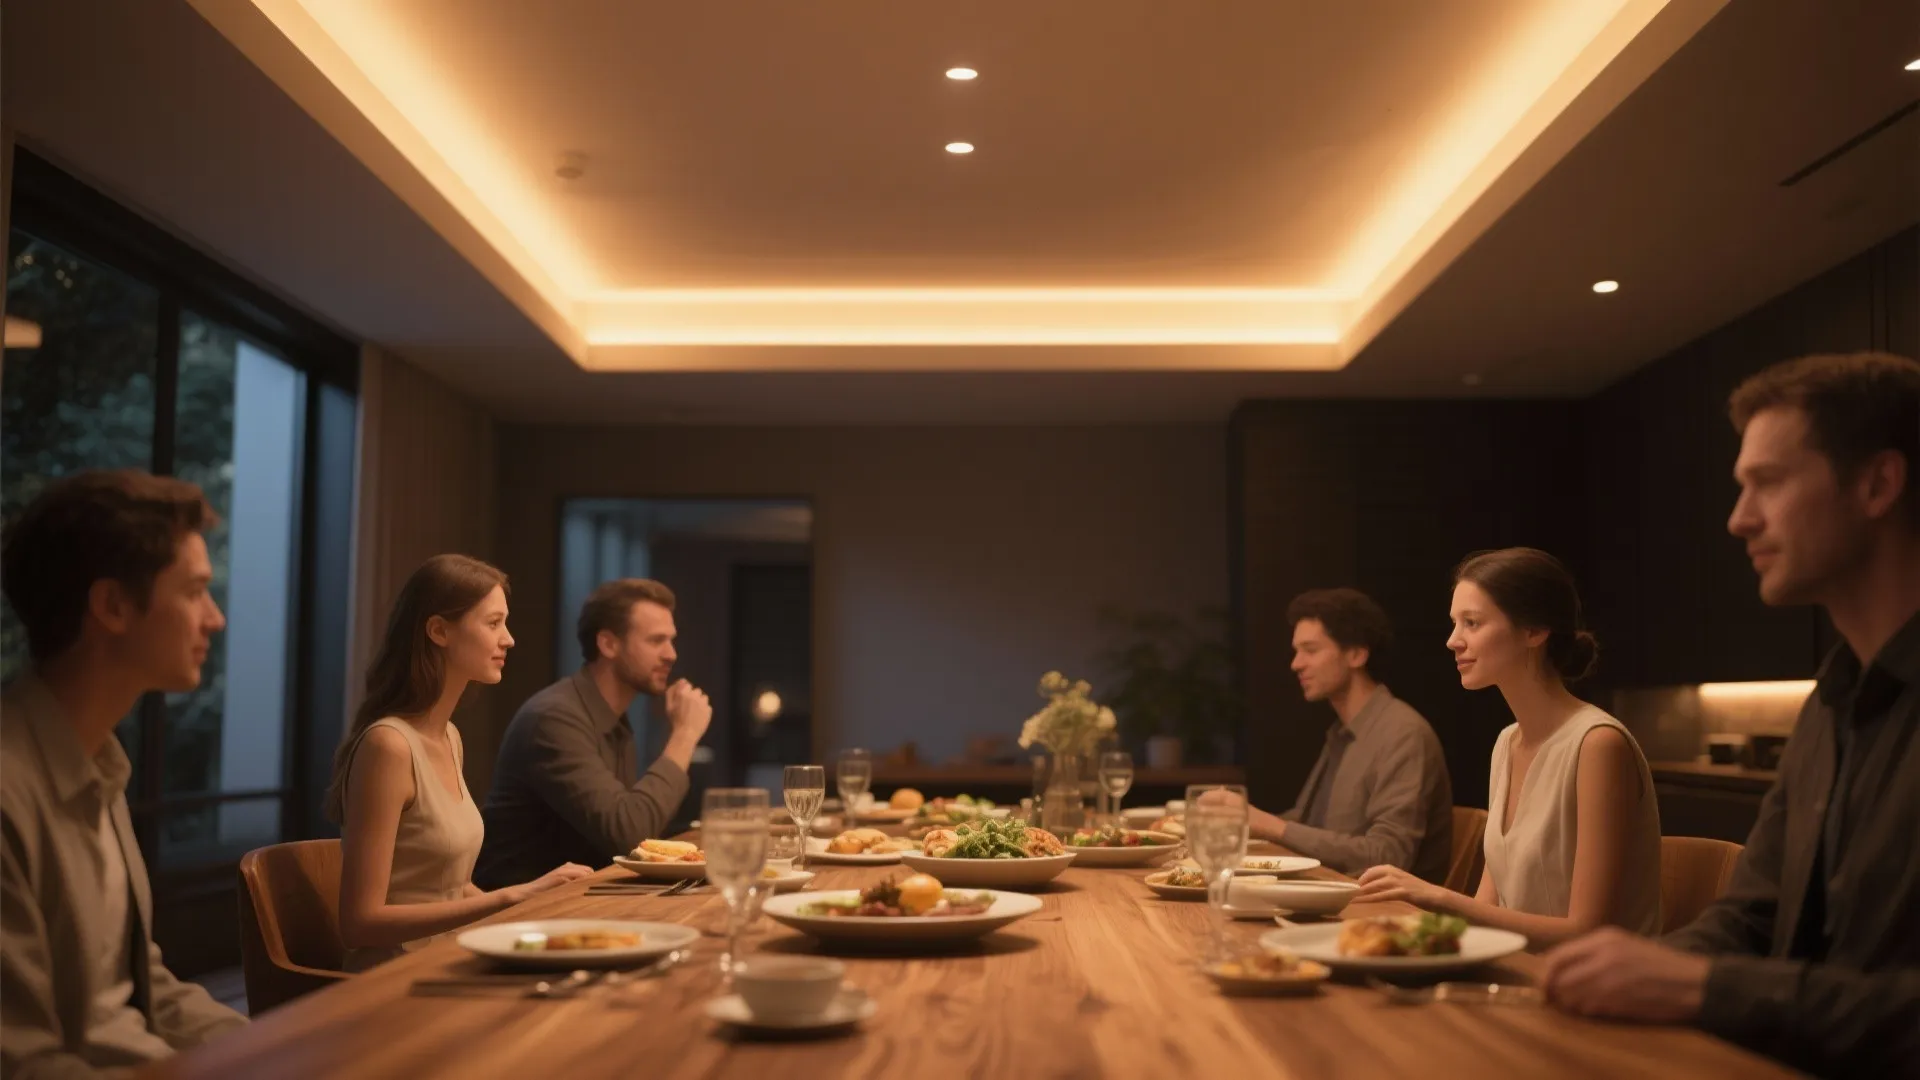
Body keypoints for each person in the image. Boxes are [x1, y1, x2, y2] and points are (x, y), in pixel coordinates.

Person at [1542, 352, 1920, 1077]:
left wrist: (1703, 988)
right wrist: (1626, 971)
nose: (1739, 519)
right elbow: (1751, 916)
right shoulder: (1831, 703)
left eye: (1768, 483)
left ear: (1877, 484)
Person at [1, 470, 247, 1076]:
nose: (214, 618)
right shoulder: (11, 789)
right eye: (194, 592)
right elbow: (22, 1061)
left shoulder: (98, 762)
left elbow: (143, 990)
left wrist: (283, 1047)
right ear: (112, 606)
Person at [1354, 547, 1663, 946]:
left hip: (1596, 979)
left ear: (1534, 631)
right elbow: (1489, 909)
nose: (1452, 641)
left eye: (1472, 623)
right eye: (1454, 623)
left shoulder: (1598, 743)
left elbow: (1586, 931)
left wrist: (1438, 897)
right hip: (1519, 967)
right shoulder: (1506, 742)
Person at [329, 555, 591, 972]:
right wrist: (510, 896)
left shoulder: (450, 736)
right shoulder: (388, 746)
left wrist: (531, 907)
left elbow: (451, 888)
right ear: (439, 631)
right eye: (493, 623)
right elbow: (359, 923)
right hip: (394, 977)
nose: (509, 639)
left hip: (452, 958)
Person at [473, 578, 712, 890]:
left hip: (577, 898)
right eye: (656, 641)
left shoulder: (612, 718)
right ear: (608, 644)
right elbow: (629, 833)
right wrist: (685, 734)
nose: (671, 654)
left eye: (671, 640)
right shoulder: (554, 718)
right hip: (524, 911)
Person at [1232, 588, 1453, 881]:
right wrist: (1237, 822)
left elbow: (1388, 855)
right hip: (1332, 892)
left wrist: (1270, 826)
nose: (1296, 663)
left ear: (1356, 654)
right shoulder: (1343, 731)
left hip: (1379, 906)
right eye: (1297, 651)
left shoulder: (1403, 733)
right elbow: (1309, 823)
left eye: (1311, 650)